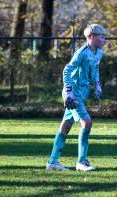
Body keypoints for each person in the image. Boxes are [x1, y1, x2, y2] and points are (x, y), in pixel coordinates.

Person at [46, 24, 107, 171]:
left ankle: (52, 162)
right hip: (74, 95)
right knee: (87, 123)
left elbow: (96, 69)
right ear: (91, 37)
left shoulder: (99, 53)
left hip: (81, 94)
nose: (104, 39)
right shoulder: (81, 53)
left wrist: (97, 84)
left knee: (65, 127)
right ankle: (81, 162)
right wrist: (68, 92)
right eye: (102, 36)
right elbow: (67, 70)